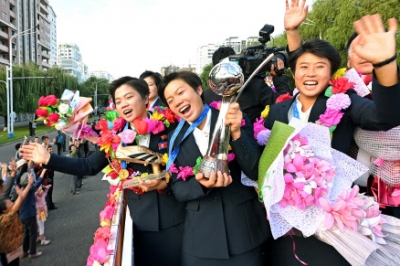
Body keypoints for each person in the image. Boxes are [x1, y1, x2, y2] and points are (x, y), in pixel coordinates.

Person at [261, 2, 400, 265]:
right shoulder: (280, 111)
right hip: (288, 227)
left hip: (335, 224)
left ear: (332, 72)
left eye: (320, 67)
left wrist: (385, 64)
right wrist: (292, 32)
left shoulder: (343, 101)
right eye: (303, 67)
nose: (310, 73)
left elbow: (385, 118)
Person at [20, 77, 186, 266]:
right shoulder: (115, 138)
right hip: (136, 221)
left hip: (174, 219)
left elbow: (184, 168)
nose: (123, 104)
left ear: (146, 98)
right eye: (118, 101)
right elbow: (88, 166)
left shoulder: (172, 127)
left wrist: (166, 181)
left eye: (128, 97)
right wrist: (48, 159)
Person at [158, 71, 270, 266]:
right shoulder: (175, 137)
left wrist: (236, 133)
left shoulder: (233, 117)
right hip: (200, 241)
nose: (177, 101)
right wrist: (200, 185)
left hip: (243, 233)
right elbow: (177, 189)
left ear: (199, 89)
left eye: (181, 92)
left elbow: (255, 171)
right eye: (170, 100)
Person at [203, 46, 291, 123]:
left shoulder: (205, 96)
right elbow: (285, 107)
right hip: (250, 140)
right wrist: (278, 76)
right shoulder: (255, 85)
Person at [0, 171, 34, 266]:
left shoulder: (5, 212)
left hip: (11, 247)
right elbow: (16, 206)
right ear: (5, 210)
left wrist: (13, 173)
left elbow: (15, 202)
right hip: (8, 249)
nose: (12, 203)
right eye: (10, 203)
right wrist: (28, 186)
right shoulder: (4, 219)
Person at [17, 169, 45, 260]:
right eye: (31, 177)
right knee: (33, 234)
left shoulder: (21, 190)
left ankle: (24, 251)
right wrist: (44, 170)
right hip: (30, 215)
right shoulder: (29, 190)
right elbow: (39, 182)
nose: (32, 178)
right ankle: (32, 252)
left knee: (25, 233)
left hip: (22, 216)